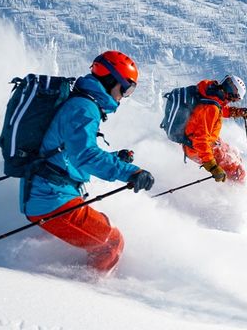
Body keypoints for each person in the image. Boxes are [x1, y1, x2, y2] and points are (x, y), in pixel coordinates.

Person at [22, 51, 155, 273]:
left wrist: (115, 158)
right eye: (126, 89)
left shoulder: (83, 103)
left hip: (51, 194)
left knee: (103, 226)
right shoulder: (84, 108)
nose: (124, 96)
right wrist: (130, 172)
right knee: (111, 243)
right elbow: (85, 155)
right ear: (111, 80)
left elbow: (69, 151)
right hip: (52, 199)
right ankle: (87, 288)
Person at [182, 75, 247, 183]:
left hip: (205, 141)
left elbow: (219, 108)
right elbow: (200, 140)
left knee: (234, 153)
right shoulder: (211, 108)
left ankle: (234, 182)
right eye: (235, 98)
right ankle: (238, 189)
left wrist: (235, 112)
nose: (233, 101)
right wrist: (212, 166)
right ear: (232, 96)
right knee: (236, 171)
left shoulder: (209, 91)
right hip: (197, 148)